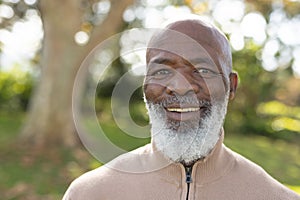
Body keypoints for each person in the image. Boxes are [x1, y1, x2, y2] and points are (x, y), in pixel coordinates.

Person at [63, 18, 300, 200]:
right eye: (163, 72)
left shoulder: (274, 196)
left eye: (203, 71)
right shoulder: (90, 193)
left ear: (231, 87)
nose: (180, 87)